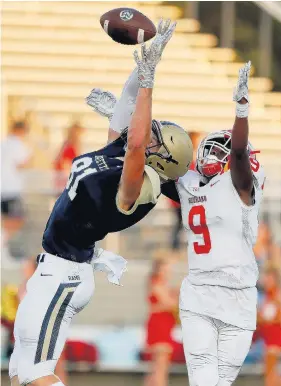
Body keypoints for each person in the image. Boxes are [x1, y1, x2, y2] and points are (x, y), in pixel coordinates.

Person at [9, 20, 193, 386]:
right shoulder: (123, 154)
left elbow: (139, 141)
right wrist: (141, 65)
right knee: (20, 373)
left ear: (162, 161)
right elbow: (130, 118)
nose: (147, 133)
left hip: (64, 273)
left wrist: (149, 82)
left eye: (157, 141)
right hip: (56, 269)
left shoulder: (136, 188)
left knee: (35, 375)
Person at [162, 62, 267, 386]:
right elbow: (148, 158)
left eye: (223, 150)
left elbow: (237, 154)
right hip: (200, 291)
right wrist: (123, 120)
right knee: (204, 380)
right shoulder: (189, 182)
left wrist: (241, 112)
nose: (213, 155)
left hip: (239, 296)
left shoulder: (240, 184)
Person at [143, 259, 179, 386]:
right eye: (166, 269)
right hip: (160, 327)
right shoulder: (156, 283)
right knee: (160, 368)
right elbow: (168, 303)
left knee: (156, 368)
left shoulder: (163, 284)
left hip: (165, 326)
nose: (169, 272)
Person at [1, 121, 31, 260]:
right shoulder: (18, 145)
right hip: (11, 189)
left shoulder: (3, 143)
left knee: (6, 220)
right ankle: (4, 249)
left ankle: (4, 249)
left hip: (3, 188)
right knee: (15, 220)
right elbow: (23, 164)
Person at [257, 268, 281, 386]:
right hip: (269, 339)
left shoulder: (276, 295)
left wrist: (265, 319)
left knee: (270, 377)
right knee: (272, 375)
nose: (267, 280)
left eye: (270, 278)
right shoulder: (269, 296)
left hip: (274, 339)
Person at [53, 123, 85, 195]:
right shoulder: (69, 144)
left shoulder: (70, 144)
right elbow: (64, 162)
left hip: (65, 174)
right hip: (64, 175)